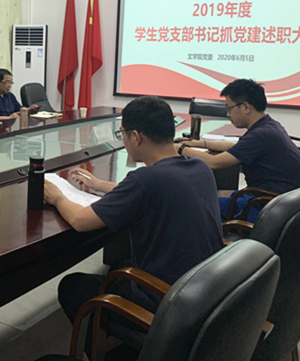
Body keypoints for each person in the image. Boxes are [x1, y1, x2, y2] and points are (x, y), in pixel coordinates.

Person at [44, 96, 223, 349]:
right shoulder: (199, 166)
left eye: (123, 134)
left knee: (73, 287)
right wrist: (100, 185)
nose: (124, 140)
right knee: (118, 264)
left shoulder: (145, 180)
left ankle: (104, 352)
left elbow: (80, 221)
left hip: (167, 300)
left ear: (136, 136)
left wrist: (57, 197)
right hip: (202, 290)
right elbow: (155, 190)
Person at [175, 79, 300, 222]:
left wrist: (180, 148)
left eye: (229, 109)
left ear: (246, 107)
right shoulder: (269, 126)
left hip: (268, 210)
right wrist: (199, 143)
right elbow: (236, 147)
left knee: (194, 206)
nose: (228, 114)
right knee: (209, 199)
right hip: (282, 204)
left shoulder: (260, 135)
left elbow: (213, 162)